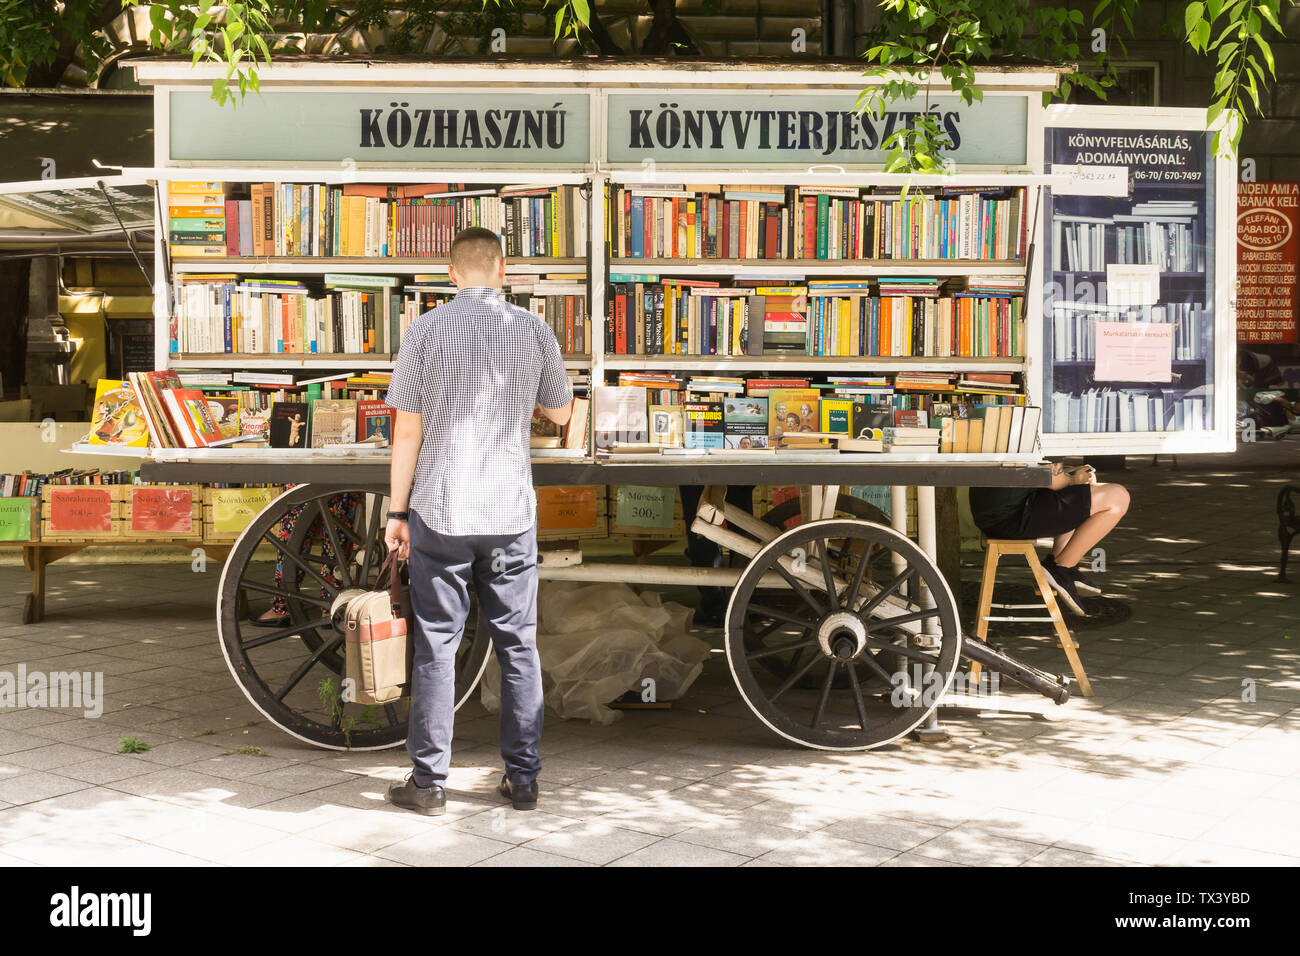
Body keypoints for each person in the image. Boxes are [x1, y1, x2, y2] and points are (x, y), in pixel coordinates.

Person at [383, 226, 573, 816]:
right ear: (503, 269)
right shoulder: (532, 328)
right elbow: (562, 411)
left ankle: (429, 784)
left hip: (441, 507)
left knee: (437, 645)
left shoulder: (425, 329)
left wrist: (397, 510)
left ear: (451, 273)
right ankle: (522, 779)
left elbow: (407, 429)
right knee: (518, 645)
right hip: (509, 510)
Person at [968, 463, 1129, 616]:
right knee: (1118, 497)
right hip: (1011, 516)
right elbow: (1047, 477)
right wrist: (1073, 478)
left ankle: (1062, 563)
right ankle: (1061, 568)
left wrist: (1071, 474)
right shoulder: (1029, 435)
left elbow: (1041, 473)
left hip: (993, 512)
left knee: (1082, 490)